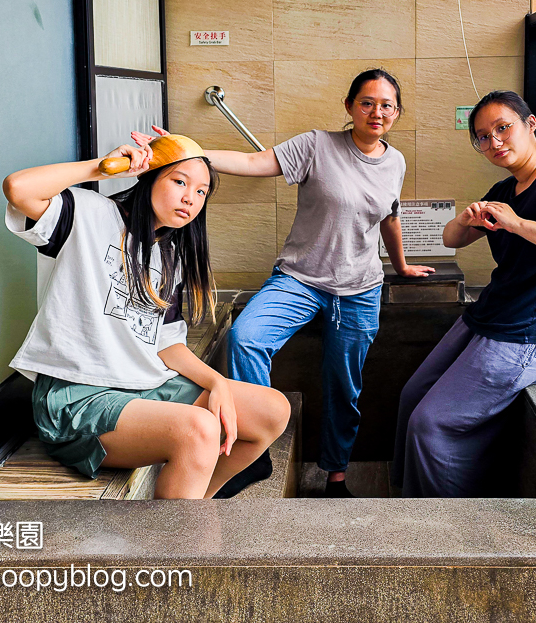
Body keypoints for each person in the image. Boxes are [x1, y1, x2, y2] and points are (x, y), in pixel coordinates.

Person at [137, 68, 434, 498]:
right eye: (366, 102)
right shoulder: (316, 145)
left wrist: (401, 267)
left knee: (343, 388)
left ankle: (335, 474)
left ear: (396, 113)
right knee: (245, 338)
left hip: (360, 290)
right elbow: (256, 162)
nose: (376, 112)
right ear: (349, 107)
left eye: (386, 105)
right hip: (300, 280)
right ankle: (253, 450)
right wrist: (187, 152)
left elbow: (390, 217)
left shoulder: (396, 161)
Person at [2, 137, 291, 499]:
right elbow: (17, 188)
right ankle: (177, 542)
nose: (191, 198)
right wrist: (102, 167)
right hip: (78, 396)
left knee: (273, 410)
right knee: (199, 426)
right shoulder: (87, 214)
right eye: (180, 181)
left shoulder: (171, 256)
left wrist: (217, 383)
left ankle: (191, 514)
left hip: (144, 385)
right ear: (150, 176)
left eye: (201, 192)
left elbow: (167, 343)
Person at [391, 90, 536, 498]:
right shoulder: (506, 189)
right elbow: (450, 239)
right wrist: (465, 219)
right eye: (482, 136)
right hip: (489, 319)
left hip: (532, 335)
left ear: (530, 125)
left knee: (431, 423)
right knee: (411, 396)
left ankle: (442, 529)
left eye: (503, 128)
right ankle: (406, 504)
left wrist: (518, 224)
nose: (494, 142)